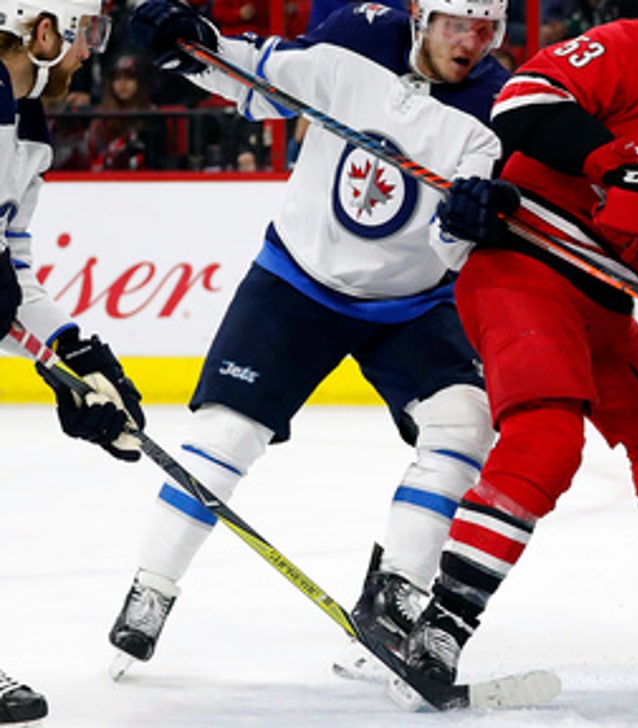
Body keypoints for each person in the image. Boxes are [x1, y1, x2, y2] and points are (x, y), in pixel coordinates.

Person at [105, 0, 509, 680]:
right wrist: (184, 42)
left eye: (485, 29)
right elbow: (251, 77)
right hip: (296, 282)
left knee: (463, 425)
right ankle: (152, 586)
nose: (469, 41)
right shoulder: (354, 40)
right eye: (453, 23)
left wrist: (470, 222)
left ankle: (396, 596)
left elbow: (450, 251)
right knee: (225, 439)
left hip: (409, 305)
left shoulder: (493, 108)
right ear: (420, 18)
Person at [390, 0, 638, 697]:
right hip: (521, 268)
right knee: (545, 441)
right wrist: (611, 161)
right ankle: (440, 626)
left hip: (603, 303)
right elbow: (524, 102)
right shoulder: (628, 49)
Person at [1, 0, 148, 721]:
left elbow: (12, 267)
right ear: (42, 28)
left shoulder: (26, 121)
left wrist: (73, 351)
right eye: (85, 28)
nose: (94, 47)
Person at [86, 53, 166, 169]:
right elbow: (95, 157)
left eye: (129, 78)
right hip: (107, 177)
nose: (123, 84)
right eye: (117, 78)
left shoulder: (151, 114)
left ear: (139, 82)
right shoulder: (102, 115)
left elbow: (158, 157)